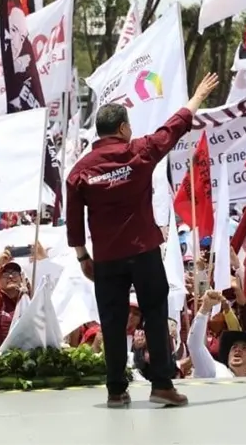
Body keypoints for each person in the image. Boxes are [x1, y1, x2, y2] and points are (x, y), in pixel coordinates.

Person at [66, 72, 219, 408]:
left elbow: (74, 222)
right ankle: (162, 384)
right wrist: (196, 97)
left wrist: (83, 258)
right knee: (154, 312)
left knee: (112, 319)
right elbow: (172, 129)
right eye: (129, 126)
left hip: (106, 259)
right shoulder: (140, 151)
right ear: (122, 128)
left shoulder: (79, 171)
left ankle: (116, 391)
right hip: (143, 252)